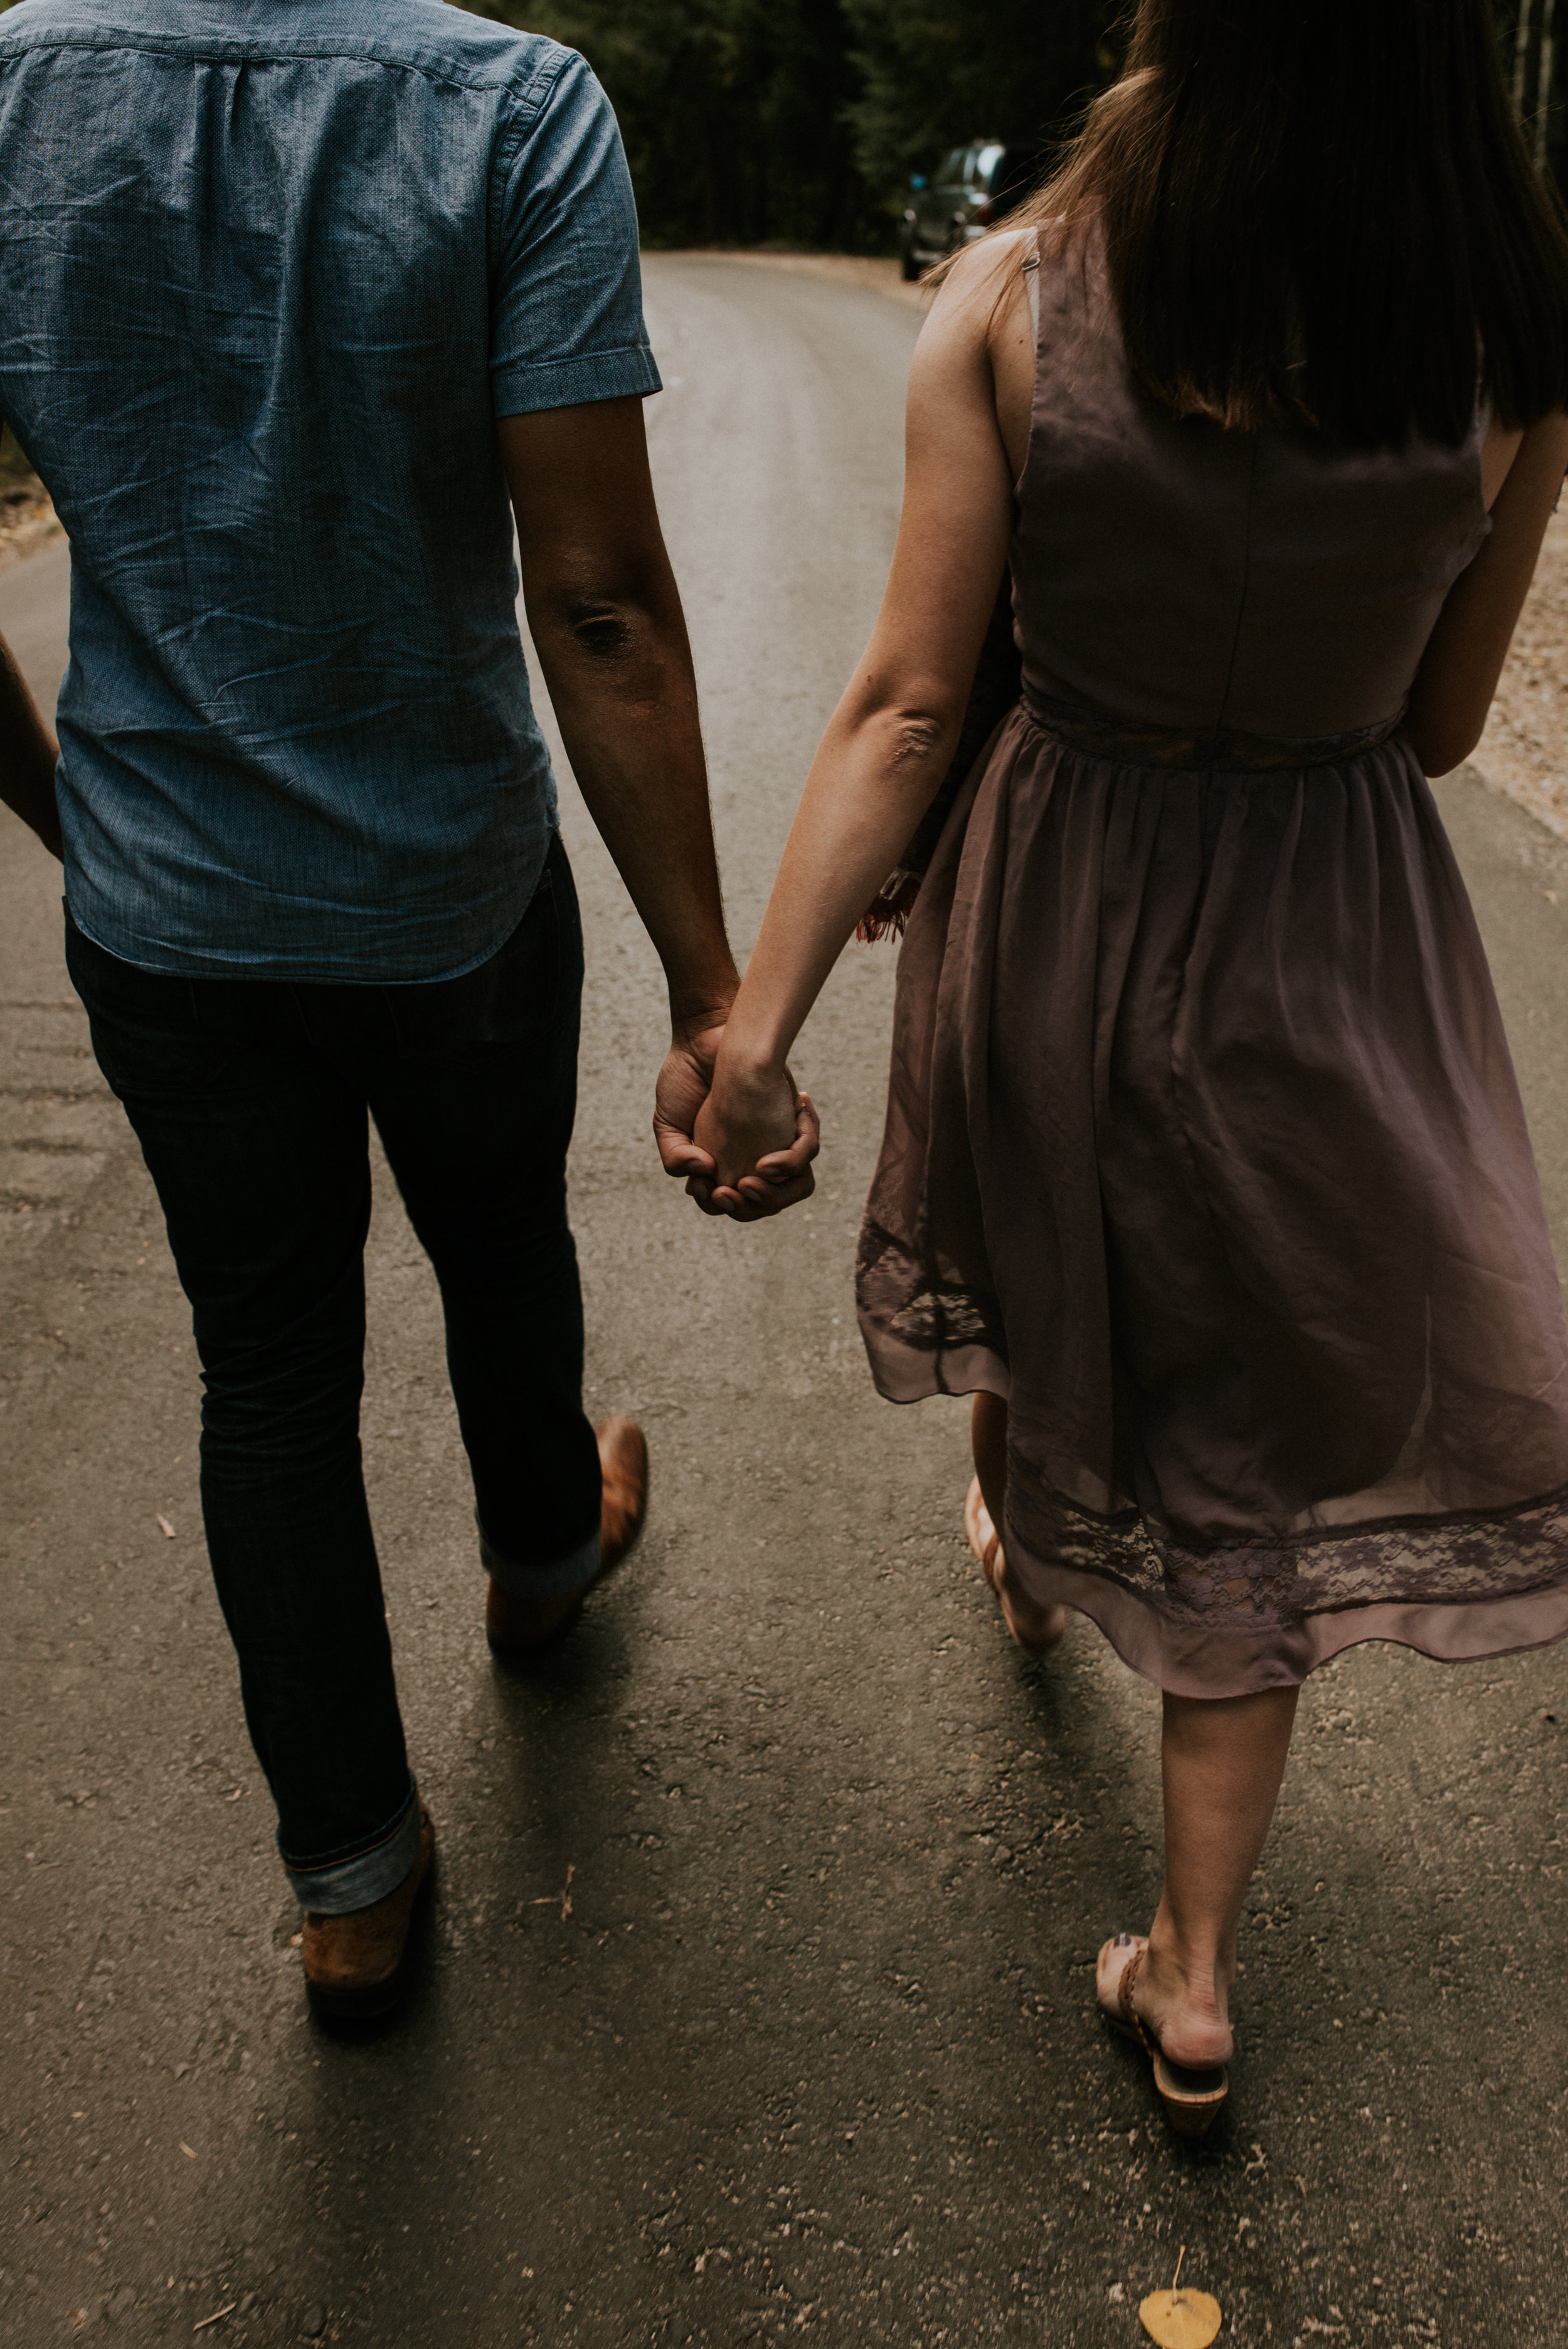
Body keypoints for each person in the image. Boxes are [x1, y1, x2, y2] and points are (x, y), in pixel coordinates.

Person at [687, 0, 1568, 2133]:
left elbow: (906, 702)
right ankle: (1190, 1976)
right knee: (1244, 1440)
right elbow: (1446, 728)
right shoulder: (1510, 340)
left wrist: (754, 1028)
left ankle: (1021, 1521)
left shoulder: (1012, 294)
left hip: (1057, 899)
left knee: (1048, 1235)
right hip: (1320, 922)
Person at [0, 0, 810, 2025]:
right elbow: (596, 587)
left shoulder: (14, 87)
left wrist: (74, 817)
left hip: (170, 909)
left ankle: (350, 1880)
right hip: (447, 890)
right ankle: (543, 1562)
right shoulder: (506, 106)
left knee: (264, 1369)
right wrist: (717, 995)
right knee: (494, 1233)